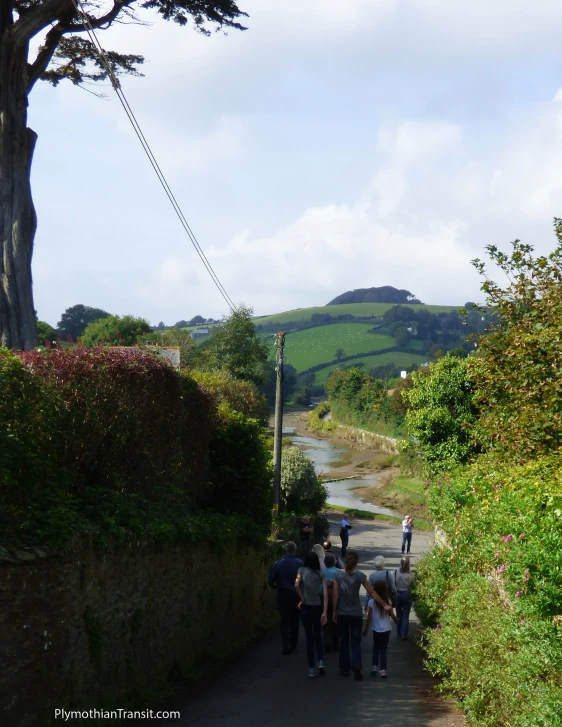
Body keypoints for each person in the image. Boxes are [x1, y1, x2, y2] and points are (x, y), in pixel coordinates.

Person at [332, 550, 393, 681]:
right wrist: (384, 604)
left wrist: (333, 611)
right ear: (356, 562)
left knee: (344, 641)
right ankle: (357, 664)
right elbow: (372, 592)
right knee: (356, 642)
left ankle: (344, 668)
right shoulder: (360, 576)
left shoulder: (337, 574)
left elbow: (336, 595)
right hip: (356, 614)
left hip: (342, 613)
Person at [295, 552, 328, 678]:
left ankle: (310, 669)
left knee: (309, 638)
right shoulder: (321, 574)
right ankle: (321, 661)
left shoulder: (301, 570)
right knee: (318, 635)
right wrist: (325, 611)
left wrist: (302, 599)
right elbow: (325, 594)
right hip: (317, 607)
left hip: (306, 607)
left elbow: (296, 584)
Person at [268, 542, 303, 655]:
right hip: (296, 594)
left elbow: (271, 579)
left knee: (284, 620)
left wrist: (275, 587)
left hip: (283, 594)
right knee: (295, 619)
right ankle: (293, 643)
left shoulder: (278, 563)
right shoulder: (300, 563)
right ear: (295, 550)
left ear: (285, 550)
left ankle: (285, 645)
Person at [363, 580, 399, 677]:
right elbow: (391, 615)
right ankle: (383, 670)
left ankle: (374, 666)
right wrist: (396, 619)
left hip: (376, 629)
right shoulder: (388, 602)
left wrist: (366, 630)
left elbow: (369, 618)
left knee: (376, 647)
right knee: (383, 649)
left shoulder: (371, 602)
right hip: (386, 628)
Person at [322, 554, 339, 653]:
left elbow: (319, 589)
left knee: (326, 621)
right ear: (335, 562)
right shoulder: (339, 573)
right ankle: (336, 643)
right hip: (337, 600)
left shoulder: (322, 573)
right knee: (336, 620)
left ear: (325, 563)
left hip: (324, 600)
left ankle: (327, 642)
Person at [395, 557, 415, 640]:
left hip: (398, 594)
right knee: (406, 615)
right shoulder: (411, 574)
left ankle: (399, 633)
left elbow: (394, 584)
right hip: (407, 594)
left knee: (398, 614)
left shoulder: (396, 573)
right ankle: (404, 634)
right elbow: (413, 585)